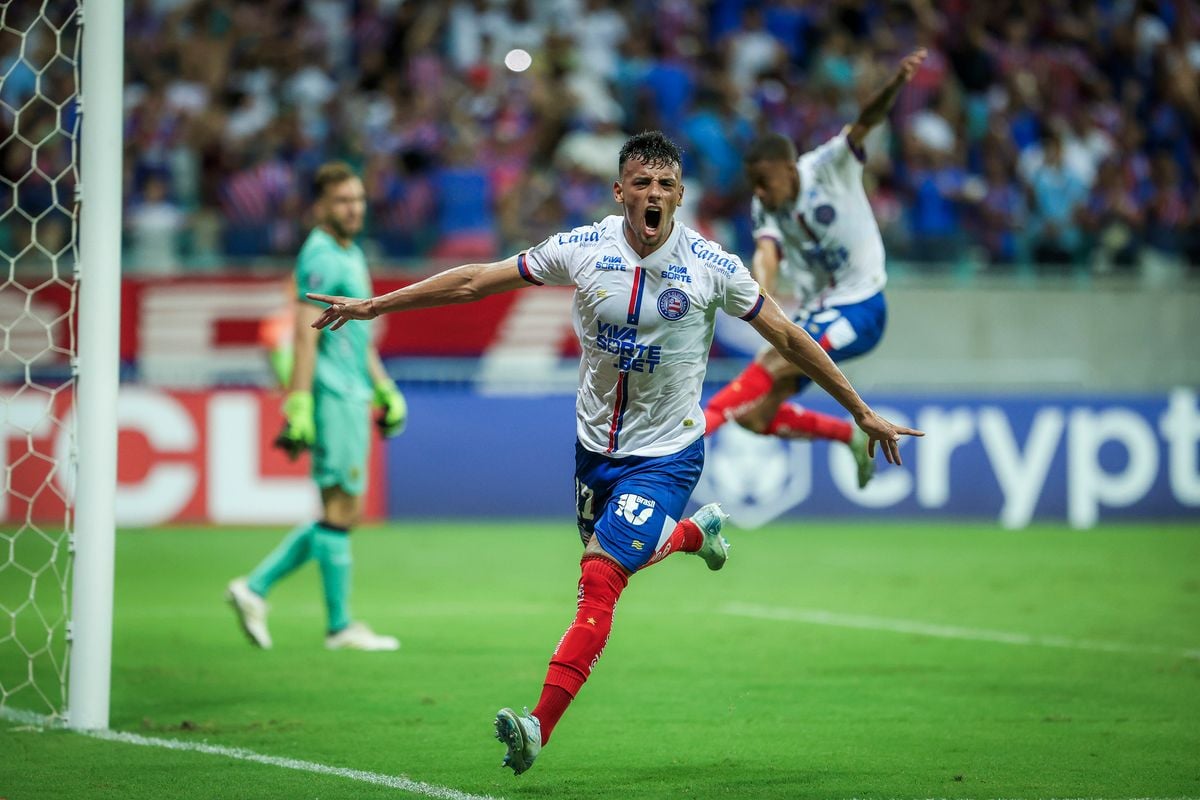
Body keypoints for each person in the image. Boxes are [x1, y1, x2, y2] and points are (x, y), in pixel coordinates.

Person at [308, 132, 922, 773]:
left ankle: (536, 727)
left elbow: (790, 339)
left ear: (680, 195)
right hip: (594, 450)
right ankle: (691, 536)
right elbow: (474, 282)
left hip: (669, 453)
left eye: (665, 185)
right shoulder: (583, 248)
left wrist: (859, 410)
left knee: (599, 579)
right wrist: (376, 305)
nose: (653, 195)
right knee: (607, 556)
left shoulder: (712, 266)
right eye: (641, 183)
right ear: (620, 191)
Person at [703, 49, 929, 489]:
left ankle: (696, 427)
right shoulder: (764, 206)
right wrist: (759, 295)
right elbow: (766, 254)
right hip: (814, 312)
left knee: (773, 360)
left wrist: (895, 84)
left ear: (790, 170)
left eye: (766, 183)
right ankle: (846, 435)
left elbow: (865, 121)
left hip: (861, 305)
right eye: (754, 186)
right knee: (755, 417)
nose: (761, 193)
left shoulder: (828, 166)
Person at [226, 161, 408, 652]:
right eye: (343, 201)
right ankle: (336, 625)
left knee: (339, 510)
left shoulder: (348, 252)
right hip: (332, 396)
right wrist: (300, 401)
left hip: (351, 392)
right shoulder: (322, 255)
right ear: (321, 206)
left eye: (358, 199)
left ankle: (258, 590)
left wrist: (383, 387)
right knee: (341, 508)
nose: (354, 208)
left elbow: (357, 335)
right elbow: (304, 338)